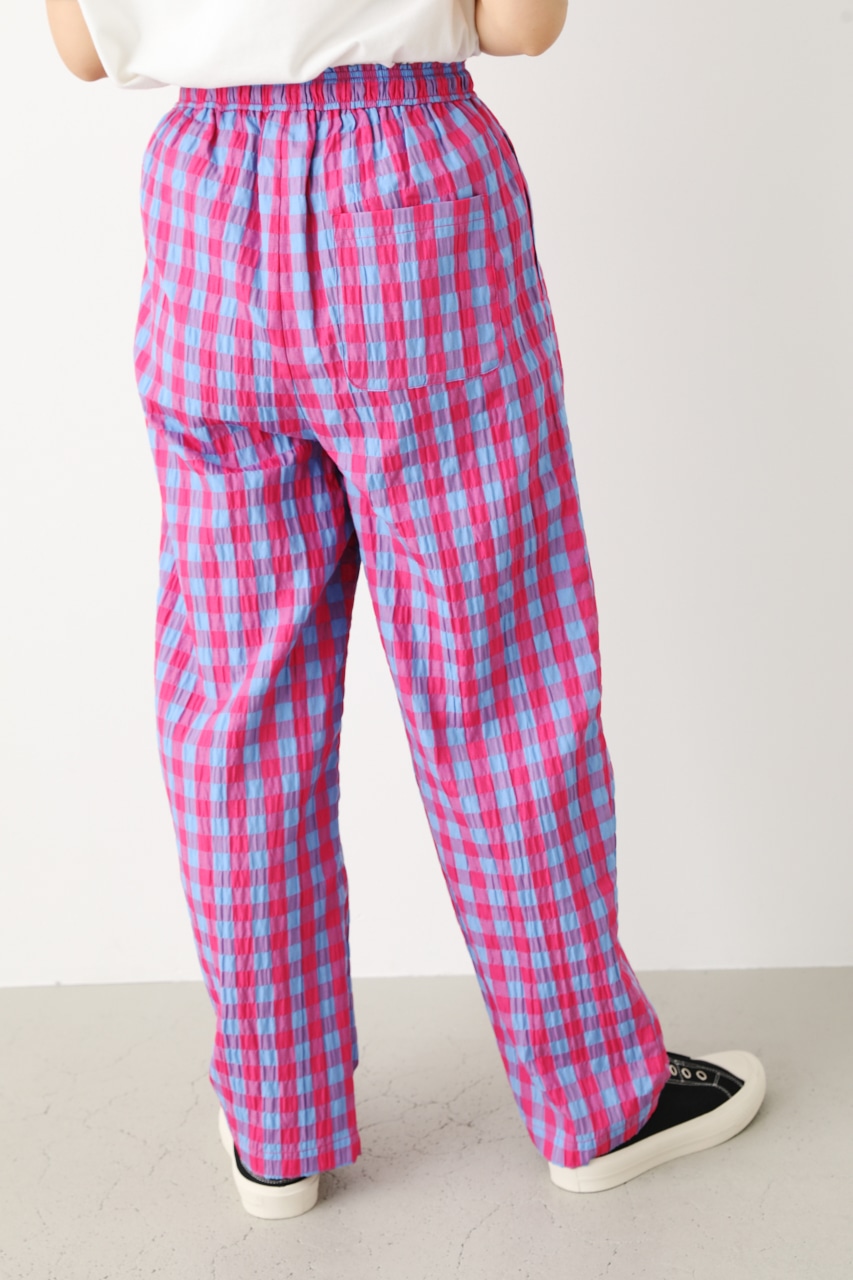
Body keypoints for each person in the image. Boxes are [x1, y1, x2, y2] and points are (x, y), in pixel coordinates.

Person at [46, 0, 766, 1221]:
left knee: (237, 695)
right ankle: (596, 1098)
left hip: (206, 203)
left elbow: (82, 48)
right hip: (408, 188)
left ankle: (273, 1121)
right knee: (498, 676)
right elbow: (519, 24)